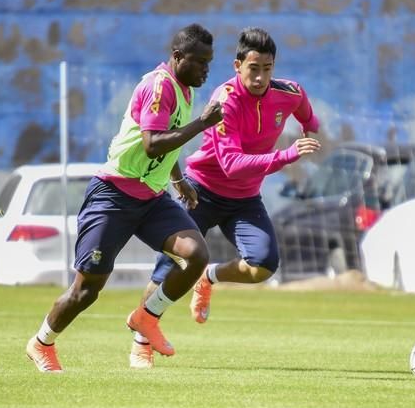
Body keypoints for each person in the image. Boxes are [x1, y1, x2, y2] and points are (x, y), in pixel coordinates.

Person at [26, 23, 223, 373]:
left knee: (196, 256)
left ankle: (146, 318)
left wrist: (178, 181)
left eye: (209, 62)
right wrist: (202, 125)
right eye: (200, 62)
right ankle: (41, 342)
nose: (206, 69)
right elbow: (152, 144)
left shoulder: (183, 89)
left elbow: (168, 141)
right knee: (86, 292)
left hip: (150, 198)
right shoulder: (159, 86)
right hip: (113, 195)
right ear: (177, 57)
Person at [129, 26, 321, 368]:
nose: (260, 77)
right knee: (168, 269)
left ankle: (209, 277)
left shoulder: (289, 92)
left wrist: (311, 129)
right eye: (253, 69)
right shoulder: (225, 100)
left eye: (267, 69)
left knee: (264, 266)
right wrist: (289, 154)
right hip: (200, 192)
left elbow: (307, 113)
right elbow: (232, 165)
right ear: (237, 66)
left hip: (245, 199)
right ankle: (141, 341)